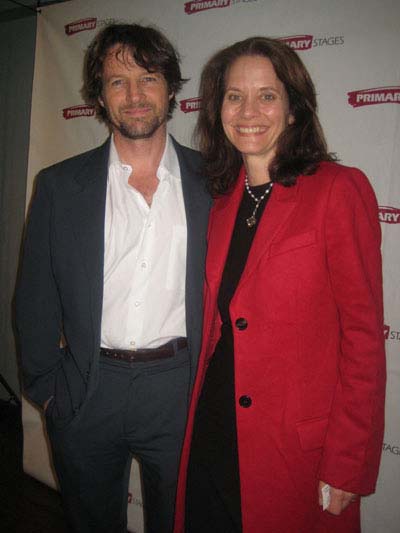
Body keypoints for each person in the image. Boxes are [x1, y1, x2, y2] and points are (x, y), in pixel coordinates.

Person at [173, 37, 386, 533]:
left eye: (267, 95)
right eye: (233, 96)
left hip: (294, 449)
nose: (248, 111)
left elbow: (363, 339)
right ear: (217, 108)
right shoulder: (223, 202)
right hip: (214, 430)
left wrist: (349, 461)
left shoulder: (338, 189)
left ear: (294, 109)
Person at [16, 23, 211, 533]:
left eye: (147, 78)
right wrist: (50, 389)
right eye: (117, 82)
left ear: (170, 88)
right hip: (86, 389)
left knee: (180, 522)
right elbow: (34, 301)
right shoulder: (59, 186)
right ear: (99, 97)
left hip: (179, 386)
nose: (135, 96)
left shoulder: (215, 183)